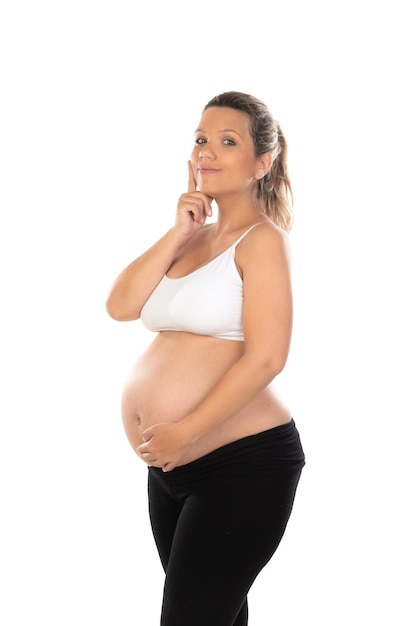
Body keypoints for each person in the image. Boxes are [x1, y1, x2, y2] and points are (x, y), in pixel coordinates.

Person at [106, 90, 305, 626]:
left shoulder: (262, 241)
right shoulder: (193, 238)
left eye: (227, 140)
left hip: (243, 466)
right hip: (172, 466)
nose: (207, 152)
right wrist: (178, 230)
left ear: (263, 163)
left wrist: (186, 430)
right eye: (200, 139)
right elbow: (120, 305)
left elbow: (266, 359)